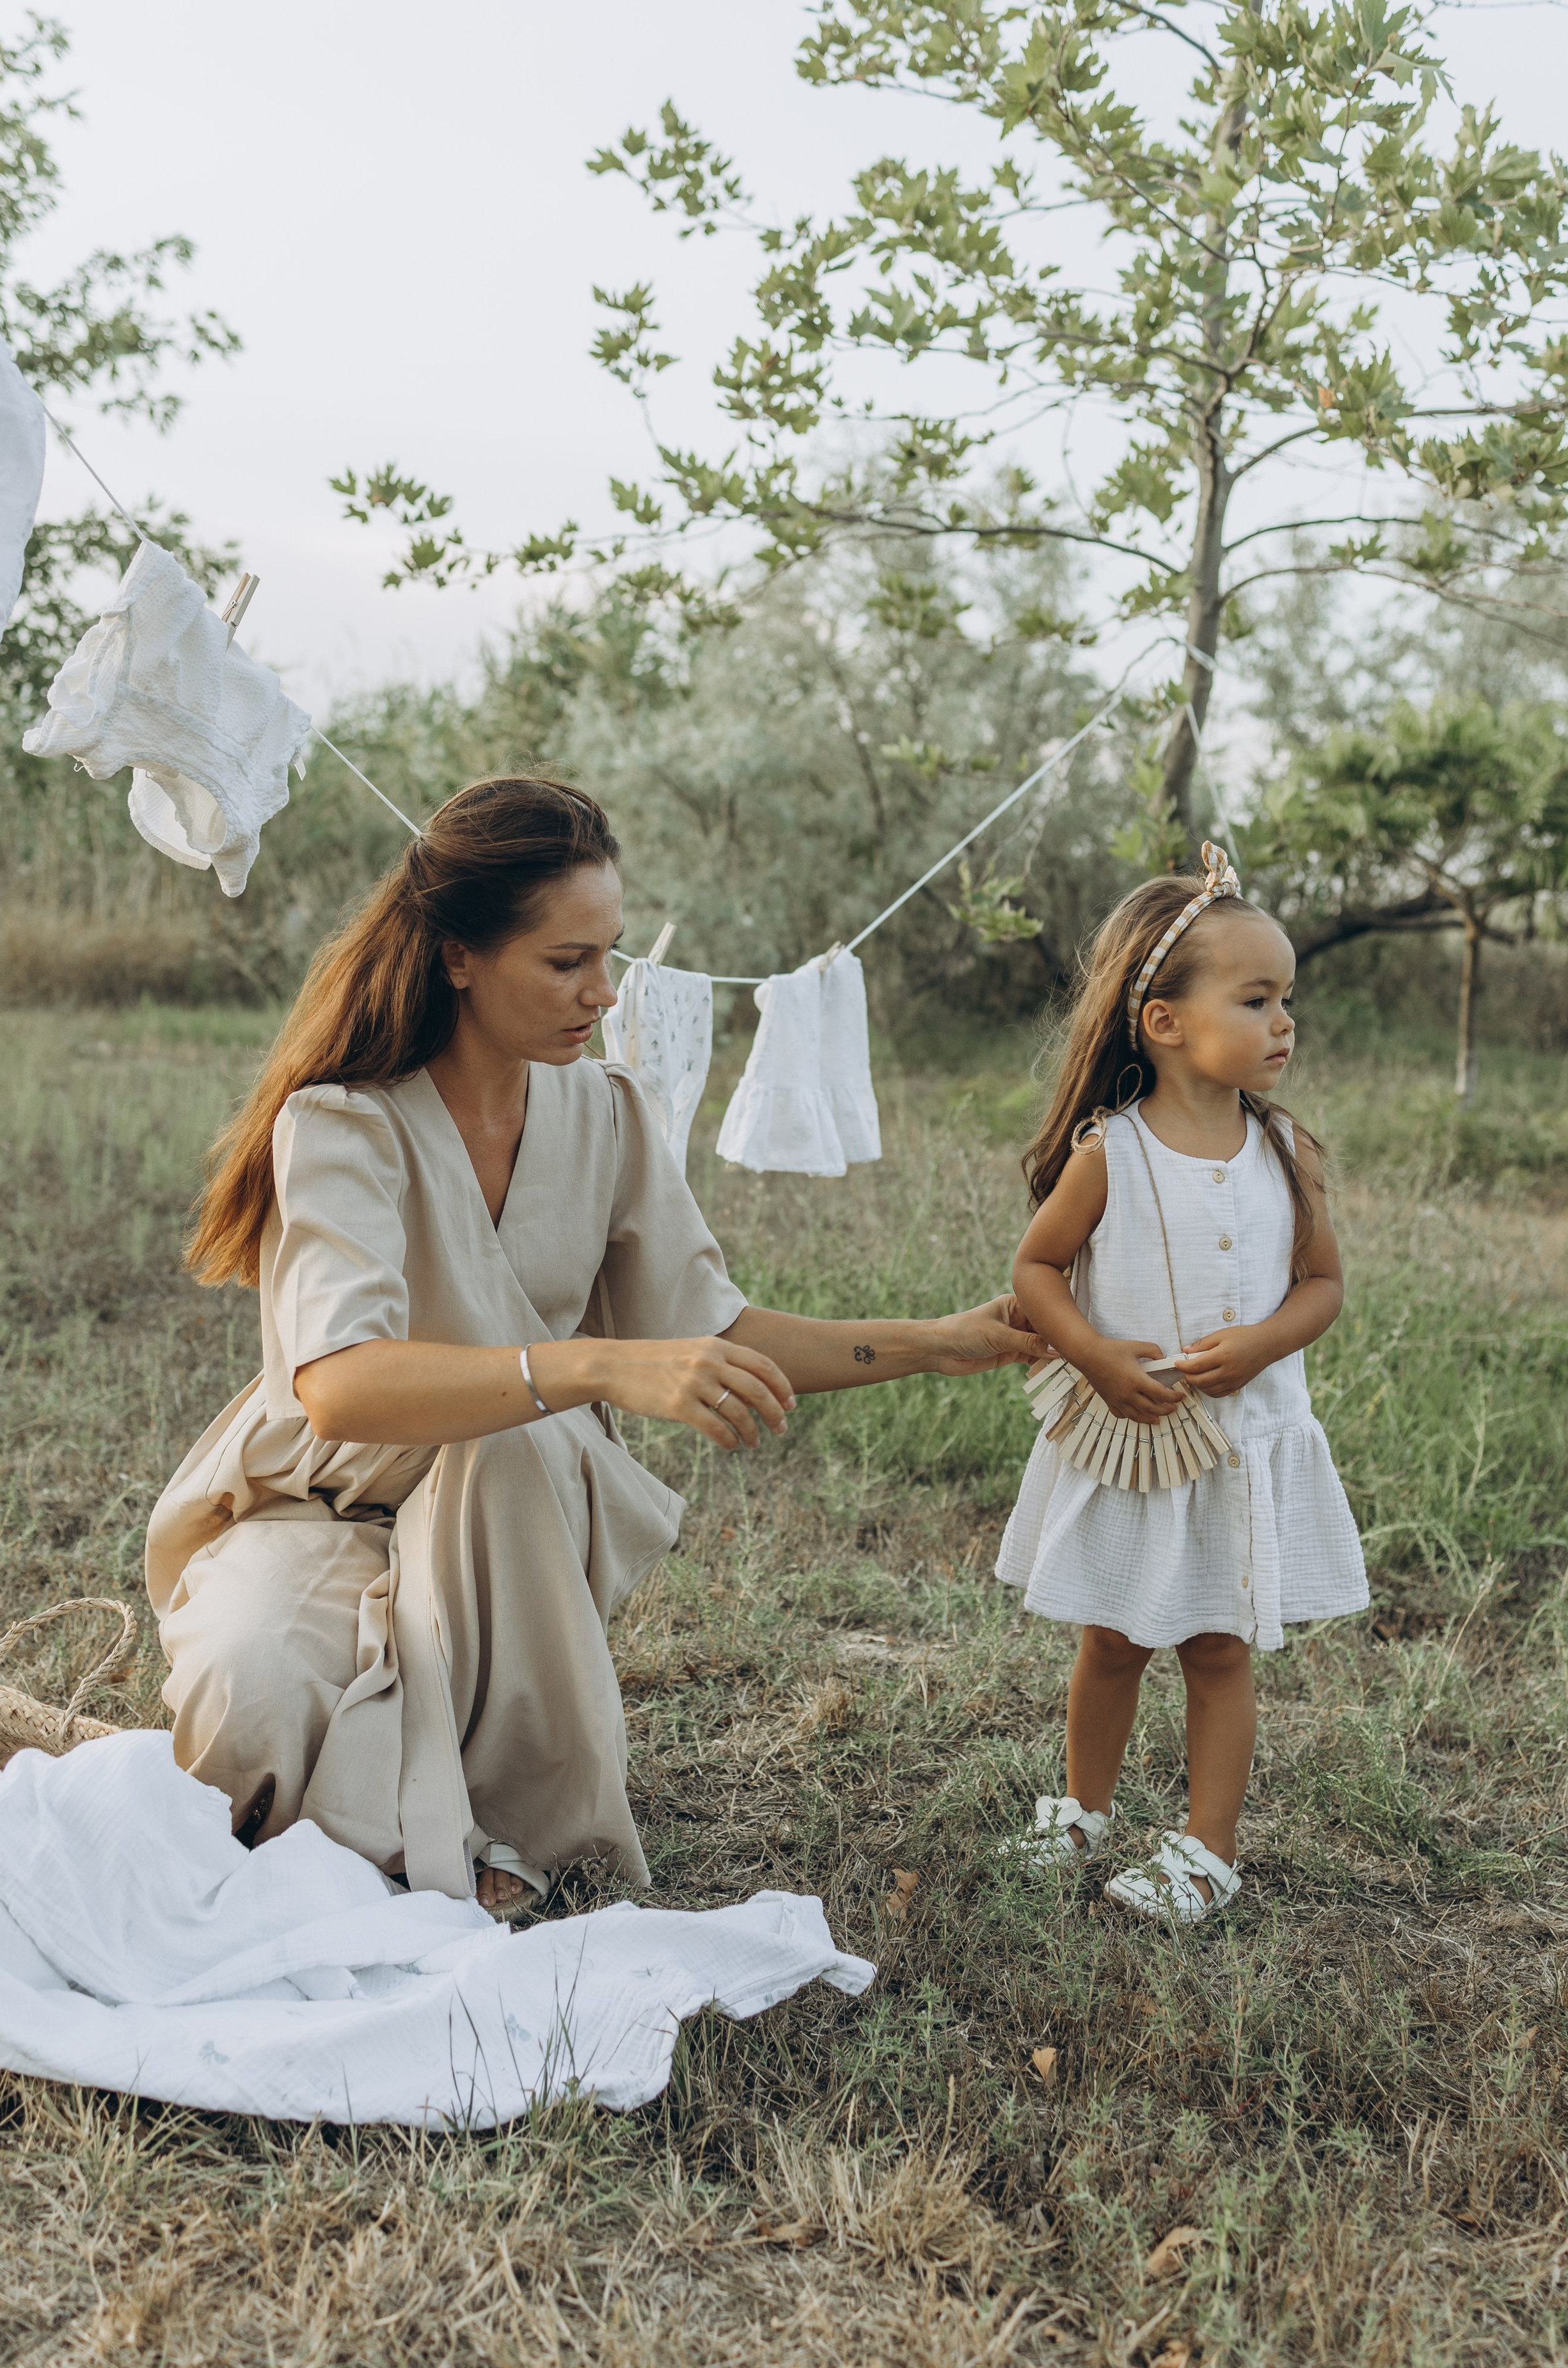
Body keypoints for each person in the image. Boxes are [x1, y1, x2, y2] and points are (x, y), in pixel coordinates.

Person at [147, 777, 1037, 1916]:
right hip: (325, 1505)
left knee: (516, 1445)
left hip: (505, 1528)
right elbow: (336, 1387)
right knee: (248, 1700)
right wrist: (597, 1365)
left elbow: (712, 1328)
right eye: (567, 963)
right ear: (460, 956)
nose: (602, 995)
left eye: (608, 956)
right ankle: (388, 1837)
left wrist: (939, 1343)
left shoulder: (606, 1114)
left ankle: (505, 1815)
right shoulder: (343, 1123)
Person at [998, 845, 1368, 1925]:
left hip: (1241, 1440)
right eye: (1257, 999)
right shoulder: (1110, 1151)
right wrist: (1099, 1357)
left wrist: (1261, 1343)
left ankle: (1209, 1849)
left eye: (1287, 999)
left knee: (1215, 1645)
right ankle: (1080, 1808)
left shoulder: (1283, 1148)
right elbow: (1035, 1268)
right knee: (1111, 1637)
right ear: (1164, 1021)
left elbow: (1324, 1284)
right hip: (1135, 1438)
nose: (1284, 1022)